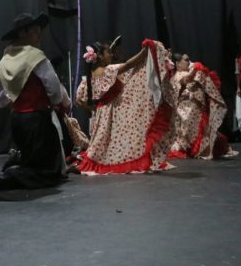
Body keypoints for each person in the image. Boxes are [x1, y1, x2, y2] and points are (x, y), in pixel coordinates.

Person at [0, 13, 69, 189]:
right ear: (23, 33)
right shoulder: (36, 57)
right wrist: (54, 102)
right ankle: (10, 178)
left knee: (29, 157)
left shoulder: (5, 59)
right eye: (36, 31)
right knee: (43, 168)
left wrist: (12, 103)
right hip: (38, 118)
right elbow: (53, 87)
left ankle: (14, 173)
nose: (39, 35)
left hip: (17, 119)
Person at [74, 39, 174, 175]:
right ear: (100, 56)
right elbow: (128, 64)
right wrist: (144, 52)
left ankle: (103, 160)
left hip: (102, 115)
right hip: (114, 113)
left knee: (104, 143)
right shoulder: (108, 70)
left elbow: (79, 100)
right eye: (108, 52)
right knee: (115, 141)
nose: (111, 55)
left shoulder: (90, 78)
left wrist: (94, 109)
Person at [167, 54, 237, 159]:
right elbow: (185, 81)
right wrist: (196, 69)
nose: (188, 62)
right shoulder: (178, 75)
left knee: (202, 131)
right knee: (187, 131)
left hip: (196, 109)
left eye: (188, 60)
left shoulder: (190, 72)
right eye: (186, 60)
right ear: (178, 63)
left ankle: (201, 149)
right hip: (186, 110)